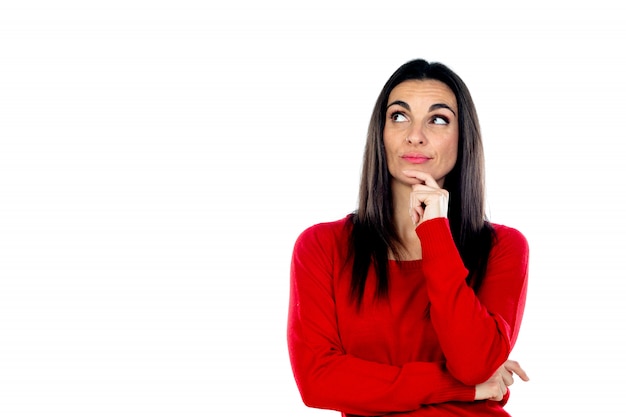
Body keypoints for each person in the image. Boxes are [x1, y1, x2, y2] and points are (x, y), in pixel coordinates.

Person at [287, 58, 530, 416]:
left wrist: (435, 234)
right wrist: (463, 389)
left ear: (463, 139)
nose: (415, 134)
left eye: (438, 119)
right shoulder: (322, 246)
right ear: (381, 134)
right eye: (399, 116)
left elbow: (475, 364)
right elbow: (318, 380)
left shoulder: (502, 248)